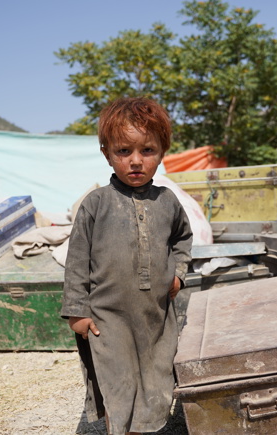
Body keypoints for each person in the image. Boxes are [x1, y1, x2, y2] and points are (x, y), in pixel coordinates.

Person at [60, 97, 193, 434]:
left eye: (147, 151)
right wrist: (77, 309)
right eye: (123, 151)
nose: (136, 161)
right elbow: (76, 261)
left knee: (156, 378)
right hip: (109, 318)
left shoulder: (167, 202)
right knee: (118, 384)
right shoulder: (96, 203)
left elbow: (183, 240)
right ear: (107, 153)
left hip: (156, 316)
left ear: (162, 151)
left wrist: (178, 274)